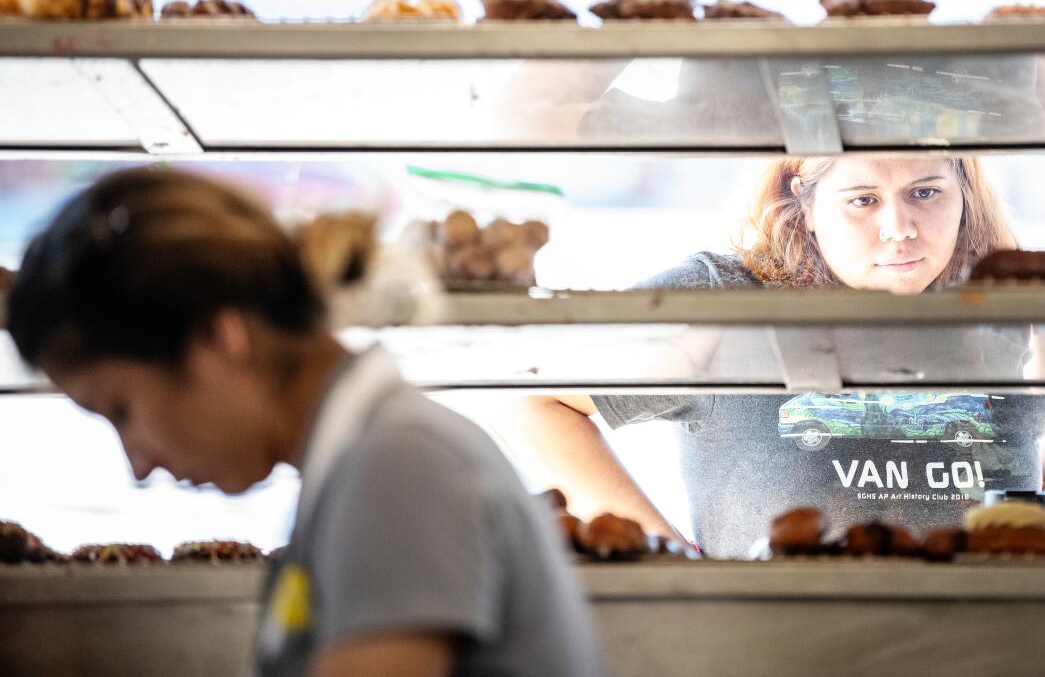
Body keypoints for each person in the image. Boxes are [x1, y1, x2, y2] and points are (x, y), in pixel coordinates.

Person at [5, 167, 605, 677]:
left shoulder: (398, 470)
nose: (138, 464)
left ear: (221, 337)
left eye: (122, 411)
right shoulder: (363, 462)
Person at [493, 155, 1045, 558]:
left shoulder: (1011, 310)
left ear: (965, 194)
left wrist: (1018, 532)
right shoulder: (725, 299)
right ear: (803, 204)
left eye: (926, 192)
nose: (899, 227)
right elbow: (539, 398)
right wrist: (670, 553)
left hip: (980, 652)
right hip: (774, 651)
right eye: (863, 199)